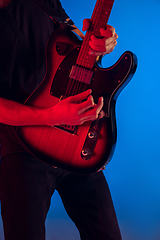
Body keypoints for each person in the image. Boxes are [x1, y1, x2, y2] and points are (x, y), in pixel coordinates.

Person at [0, 0, 121, 239]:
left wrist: (101, 44)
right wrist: (49, 116)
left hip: (76, 142)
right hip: (23, 149)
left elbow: (77, 45)